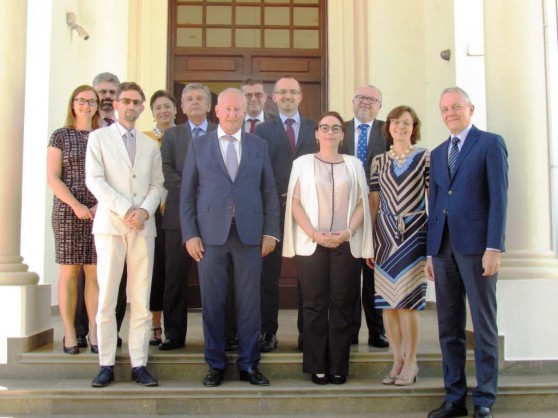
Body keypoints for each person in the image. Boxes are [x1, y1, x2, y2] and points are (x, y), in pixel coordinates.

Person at [180, 88, 280, 387]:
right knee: (213, 302)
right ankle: (215, 364)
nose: (234, 114)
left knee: (250, 303)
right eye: (228, 109)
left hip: (250, 236)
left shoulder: (258, 145)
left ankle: (250, 364)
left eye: (239, 109)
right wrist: (190, 235)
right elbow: (187, 196)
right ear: (217, 112)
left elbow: (269, 192)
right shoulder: (199, 146)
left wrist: (271, 232)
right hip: (210, 237)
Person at [425, 87, 508, 418]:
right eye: (444, 109)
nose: (450, 114)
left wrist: (494, 247)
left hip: (478, 249)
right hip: (443, 249)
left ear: (470, 109)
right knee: (448, 326)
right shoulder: (438, 151)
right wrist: (432, 252)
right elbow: (435, 204)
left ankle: (485, 397)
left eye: (456, 107)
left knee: (484, 324)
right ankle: (454, 396)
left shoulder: (489, 143)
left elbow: (499, 198)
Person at [283, 111, 372, 385]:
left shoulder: (354, 164)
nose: (330, 132)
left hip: (345, 243)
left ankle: (338, 366)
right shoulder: (302, 163)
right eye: (325, 127)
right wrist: (314, 234)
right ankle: (317, 365)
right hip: (312, 243)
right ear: (316, 133)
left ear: (343, 135)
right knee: (314, 305)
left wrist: (347, 232)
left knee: (343, 304)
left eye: (335, 128)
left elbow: (362, 203)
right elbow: (295, 202)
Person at [86, 82, 164, 387]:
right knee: (107, 296)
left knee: (141, 297)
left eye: (137, 102)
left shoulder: (149, 144)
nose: (131, 106)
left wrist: (143, 210)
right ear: (116, 105)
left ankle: (139, 362)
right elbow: (95, 180)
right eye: (126, 101)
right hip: (111, 226)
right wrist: (125, 209)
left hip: (143, 228)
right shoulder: (99, 138)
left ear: (142, 108)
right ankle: (106, 362)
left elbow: (158, 184)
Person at [367, 106, 429, 386]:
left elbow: (434, 199)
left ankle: (412, 360)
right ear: (388, 126)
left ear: (413, 127)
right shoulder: (379, 161)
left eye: (406, 123)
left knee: (408, 302)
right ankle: (397, 359)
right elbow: (374, 202)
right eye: (396, 122)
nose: (400, 127)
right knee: (387, 303)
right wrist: (371, 240)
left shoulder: (426, 157)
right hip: (384, 236)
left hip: (414, 234)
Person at [253, 76, 317, 352]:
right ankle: (268, 331)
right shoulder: (263, 131)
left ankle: (308, 332)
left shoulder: (317, 128)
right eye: (282, 92)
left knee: (309, 274)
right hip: (273, 212)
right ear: (274, 98)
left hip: (309, 211)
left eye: (293, 92)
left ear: (301, 97)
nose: (288, 96)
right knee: (269, 275)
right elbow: (258, 169)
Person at [159, 83, 217, 351]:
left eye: (200, 98)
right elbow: (166, 172)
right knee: (175, 278)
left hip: (214, 216)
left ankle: (221, 334)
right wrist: (195, 191)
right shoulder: (171, 136)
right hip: (177, 218)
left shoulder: (221, 133)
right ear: (181, 107)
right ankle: (173, 334)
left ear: (209, 106)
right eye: (189, 99)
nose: (194, 102)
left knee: (218, 279)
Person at [47, 85, 101, 355]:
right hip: (68, 211)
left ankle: (93, 331)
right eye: (81, 100)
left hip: (99, 211)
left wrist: (99, 205)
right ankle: (69, 332)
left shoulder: (104, 136)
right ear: (73, 104)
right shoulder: (60, 136)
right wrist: (77, 205)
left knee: (94, 272)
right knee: (70, 271)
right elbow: (53, 177)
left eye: (92, 101)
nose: (86, 105)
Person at [75, 72, 126, 350]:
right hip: (79, 210)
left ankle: (111, 331)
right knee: (85, 273)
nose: (106, 97)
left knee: (114, 274)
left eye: (110, 92)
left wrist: (104, 203)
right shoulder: (83, 130)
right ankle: (83, 329)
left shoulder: (120, 129)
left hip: (111, 210)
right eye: (101, 92)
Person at [340, 84, 389, 348]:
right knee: (347, 276)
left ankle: (376, 330)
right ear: (352, 101)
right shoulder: (340, 129)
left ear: (380, 106)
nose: (365, 103)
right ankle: (349, 330)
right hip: (344, 212)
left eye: (372, 100)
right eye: (361, 97)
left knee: (373, 275)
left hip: (379, 213)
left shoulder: (387, 131)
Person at [144, 90, 177, 346]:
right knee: (155, 269)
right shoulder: (145, 140)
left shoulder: (184, 136)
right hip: (152, 210)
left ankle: (175, 328)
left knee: (175, 270)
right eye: (158, 107)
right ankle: (155, 323)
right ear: (152, 112)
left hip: (178, 209)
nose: (163, 111)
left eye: (167, 106)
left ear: (175, 110)